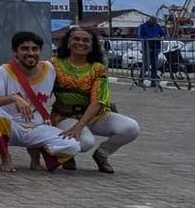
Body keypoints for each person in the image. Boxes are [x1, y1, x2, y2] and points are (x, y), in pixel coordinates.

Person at [0, 31, 82, 173]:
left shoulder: (50, 69)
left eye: (34, 49)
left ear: (40, 51)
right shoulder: (5, 71)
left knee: (74, 146)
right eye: (24, 49)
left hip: (38, 129)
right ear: (14, 51)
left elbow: (75, 75)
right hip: (12, 128)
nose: (30, 53)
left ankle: (38, 153)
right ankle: (5, 156)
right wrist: (13, 98)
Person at [51, 27, 140, 173]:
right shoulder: (54, 64)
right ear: (68, 42)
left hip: (95, 115)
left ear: (92, 46)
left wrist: (79, 126)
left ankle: (102, 154)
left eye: (86, 40)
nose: (81, 43)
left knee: (131, 128)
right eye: (76, 39)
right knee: (86, 143)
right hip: (65, 115)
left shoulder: (98, 68)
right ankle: (65, 154)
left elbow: (97, 101)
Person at [137, 14, 167, 89]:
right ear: (150, 20)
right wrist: (150, 38)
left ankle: (153, 81)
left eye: (155, 22)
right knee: (146, 64)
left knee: (154, 65)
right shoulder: (143, 26)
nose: (154, 24)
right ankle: (141, 80)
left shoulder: (157, 26)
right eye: (153, 22)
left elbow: (163, 33)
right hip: (147, 47)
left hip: (155, 47)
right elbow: (140, 36)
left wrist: (161, 37)